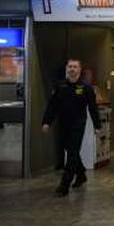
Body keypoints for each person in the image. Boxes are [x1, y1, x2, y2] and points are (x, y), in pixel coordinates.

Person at [42, 59, 101, 197]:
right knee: (69, 149)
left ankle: (64, 185)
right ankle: (81, 174)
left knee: (72, 153)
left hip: (78, 123)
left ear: (80, 70)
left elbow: (93, 108)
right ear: (67, 69)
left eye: (75, 67)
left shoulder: (86, 88)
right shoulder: (60, 86)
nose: (72, 69)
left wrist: (97, 125)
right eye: (70, 67)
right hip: (63, 123)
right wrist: (46, 122)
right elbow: (52, 106)